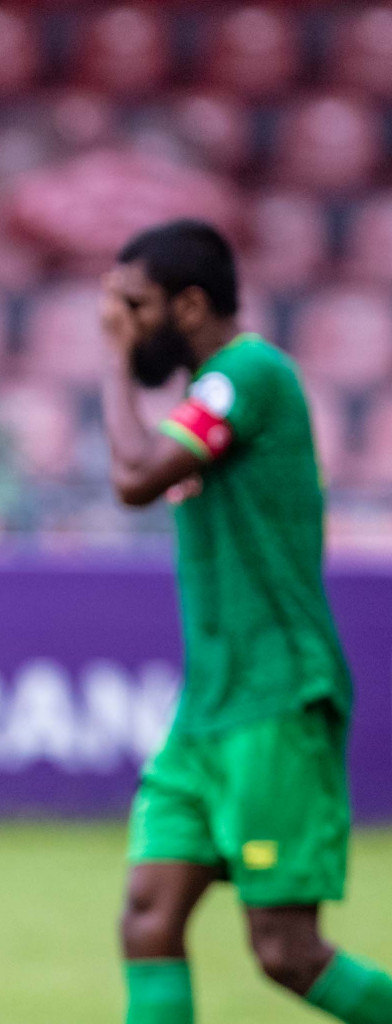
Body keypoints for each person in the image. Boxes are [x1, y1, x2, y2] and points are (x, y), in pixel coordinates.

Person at [98, 219, 392, 1024]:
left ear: (190, 305)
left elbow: (134, 478)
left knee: (285, 952)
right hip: (207, 713)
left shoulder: (248, 373)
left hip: (276, 695)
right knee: (149, 918)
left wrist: (114, 359)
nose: (122, 320)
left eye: (136, 304)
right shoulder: (209, 392)